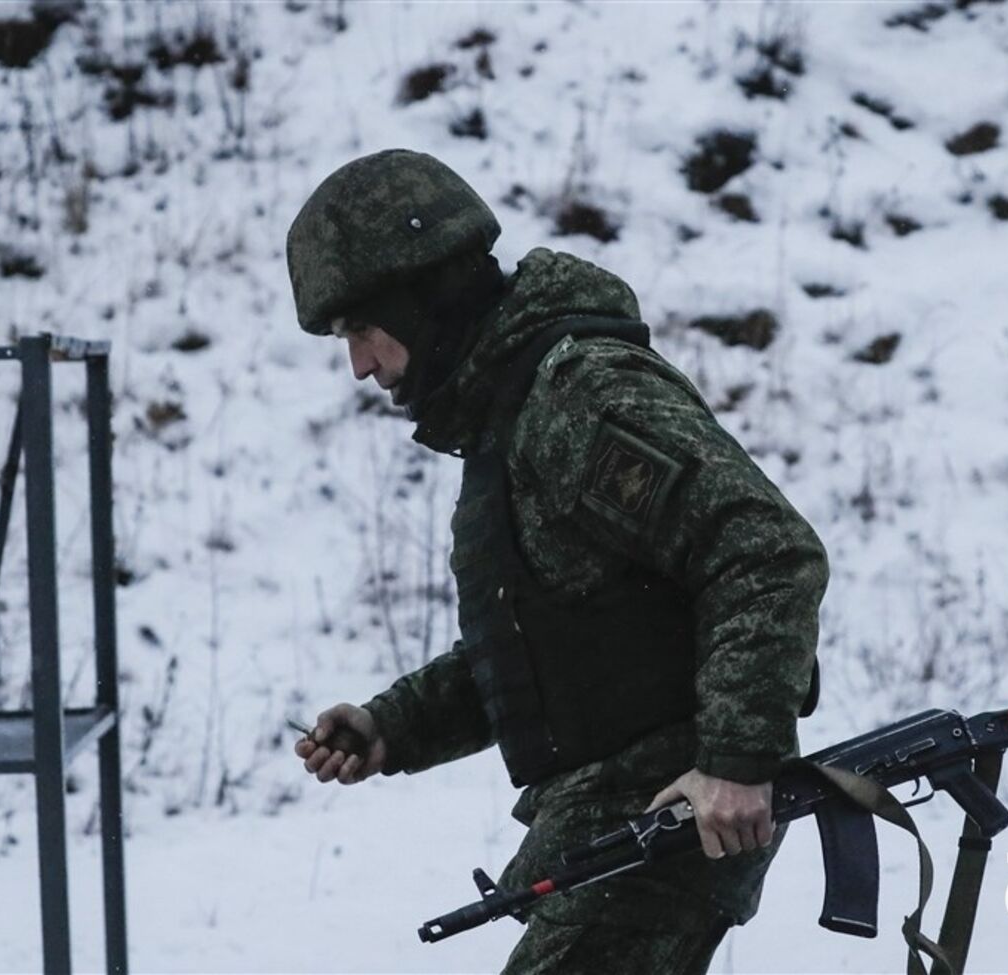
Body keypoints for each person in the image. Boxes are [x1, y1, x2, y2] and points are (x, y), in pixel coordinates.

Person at [287, 149, 829, 975]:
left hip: (667, 815)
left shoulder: (577, 394)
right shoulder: (511, 414)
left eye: (361, 330)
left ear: (419, 299)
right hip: (616, 829)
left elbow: (764, 549)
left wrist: (735, 762)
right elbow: (559, 645)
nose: (360, 365)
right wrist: (393, 723)